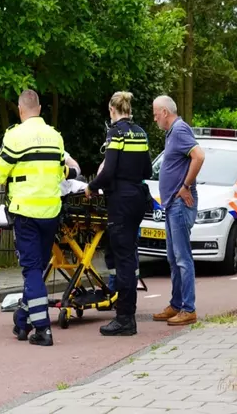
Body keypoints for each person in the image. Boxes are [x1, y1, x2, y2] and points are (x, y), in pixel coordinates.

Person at [0, 89, 77, 346]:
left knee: (32, 271)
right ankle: (22, 320)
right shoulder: (55, 137)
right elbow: (62, 171)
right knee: (37, 270)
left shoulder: (14, 137)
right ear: (39, 109)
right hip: (51, 212)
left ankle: (42, 329)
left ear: (20, 110)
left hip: (25, 212)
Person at [86, 91, 152, 336]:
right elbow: (147, 168)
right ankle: (126, 314)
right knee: (128, 255)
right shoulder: (141, 132)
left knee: (123, 259)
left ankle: (125, 318)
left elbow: (109, 170)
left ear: (111, 110)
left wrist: (91, 187)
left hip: (120, 200)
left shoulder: (116, 133)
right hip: (137, 197)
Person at [152, 95, 205, 326]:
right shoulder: (172, 132)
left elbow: (199, 156)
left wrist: (185, 186)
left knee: (183, 258)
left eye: (155, 114)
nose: (154, 118)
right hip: (171, 204)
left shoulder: (180, 129)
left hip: (180, 204)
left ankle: (188, 308)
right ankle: (176, 303)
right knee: (173, 258)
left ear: (164, 112)